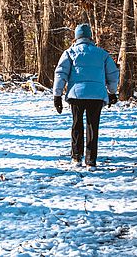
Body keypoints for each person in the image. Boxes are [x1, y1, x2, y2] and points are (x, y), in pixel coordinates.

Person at [52, 23, 119, 171]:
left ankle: (76, 157)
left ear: (76, 37)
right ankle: (91, 160)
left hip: (76, 94)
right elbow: (113, 74)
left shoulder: (70, 53)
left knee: (77, 124)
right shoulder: (102, 54)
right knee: (92, 126)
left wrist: (57, 95)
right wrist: (112, 92)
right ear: (90, 37)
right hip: (96, 95)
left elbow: (60, 73)